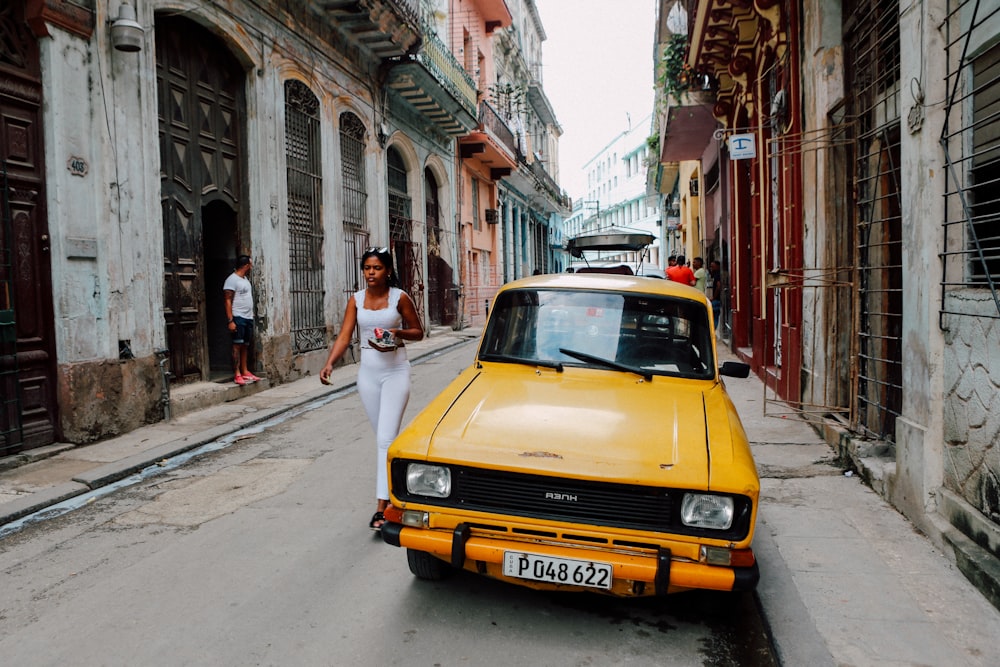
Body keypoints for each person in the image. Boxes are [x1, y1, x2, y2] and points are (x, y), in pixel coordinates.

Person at [319, 247, 424, 532]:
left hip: (396, 372)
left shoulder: (399, 298)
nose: (371, 273)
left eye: (377, 268)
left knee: (384, 441)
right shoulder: (355, 300)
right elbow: (344, 335)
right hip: (368, 374)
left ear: (387, 271)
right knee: (384, 439)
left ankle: (382, 507)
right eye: (367, 268)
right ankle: (401, 489)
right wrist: (330, 363)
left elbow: (418, 331)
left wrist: (396, 333)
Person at [224, 255, 262, 386]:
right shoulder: (232, 280)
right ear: (246, 265)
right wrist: (230, 320)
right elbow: (227, 300)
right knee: (237, 345)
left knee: (245, 345)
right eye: (250, 264)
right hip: (238, 317)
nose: (251, 266)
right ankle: (237, 373)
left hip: (248, 317)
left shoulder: (245, 279)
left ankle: (245, 371)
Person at [708, 260, 723, 329]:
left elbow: (718, 286)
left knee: (714, 316)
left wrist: (714, 297)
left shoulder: (717, 275)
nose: (711, 268)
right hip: (718, 298)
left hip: (717, 299)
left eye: (713, 267)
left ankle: (713, 329)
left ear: (718, 266)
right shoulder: (718, 274)